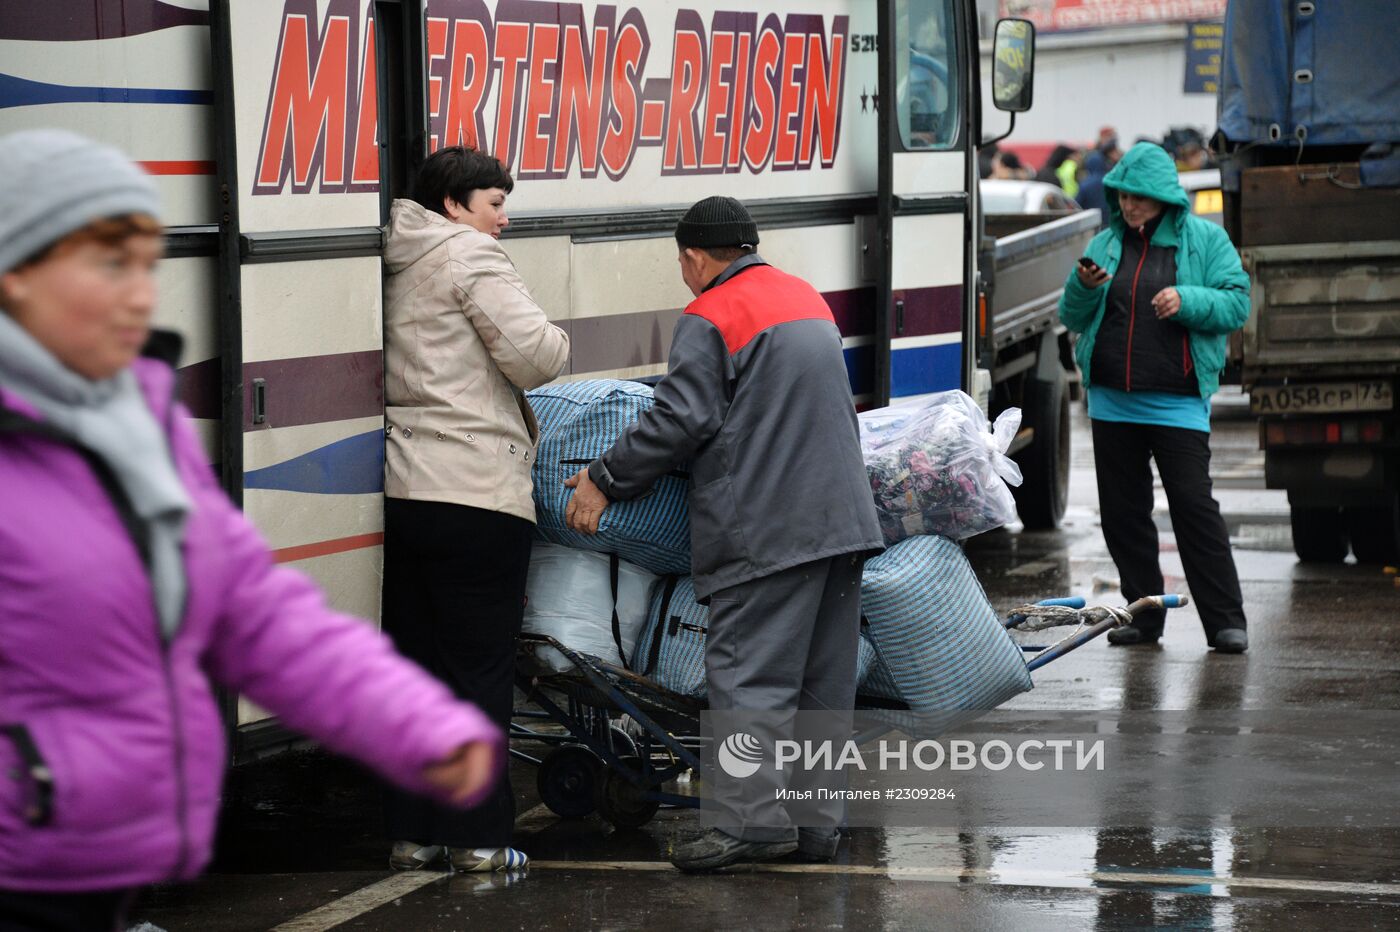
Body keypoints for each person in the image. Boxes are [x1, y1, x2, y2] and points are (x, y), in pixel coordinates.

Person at [0, 130, 505, 929]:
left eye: (145, 264)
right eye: (106, 264)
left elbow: (258, 616)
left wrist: (417, 729)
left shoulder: (137, 427)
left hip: (94, 879)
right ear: (17, 273)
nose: (140, 294)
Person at [563, 197, 884, 871]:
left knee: (749, 676)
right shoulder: (805, 298)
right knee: (822, 683)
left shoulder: (710, 314)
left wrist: (604, 476)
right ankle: (817, 827)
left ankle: (748, 825)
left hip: (768, 525)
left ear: (694, 257)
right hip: (844, 520)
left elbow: (680, 419)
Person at [380, 147, 569, 872]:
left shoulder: (397, 256)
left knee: (416, 670)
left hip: (407, 489)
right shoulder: (471, 258)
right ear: (457, 205)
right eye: (495, 202)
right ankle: (480, 839)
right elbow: (539, 356)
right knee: (479, 671)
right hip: (476, 493)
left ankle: (413, 831)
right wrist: (557, 336)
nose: (504, 217)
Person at [1057, 142, 1250, 653]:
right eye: (1122, 196)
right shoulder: (1105, 245)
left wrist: (1189, 300)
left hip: (1178, 401)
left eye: (1139, 198)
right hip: (1111, 403)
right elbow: (1072, 316)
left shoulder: (1205, 241)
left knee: (1193, 508)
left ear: (1163, 197)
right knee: (1124, 516)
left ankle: (1226, 621)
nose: (1129, 206)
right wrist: (1084, 288)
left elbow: (1236, 304)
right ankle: (1143, 618)